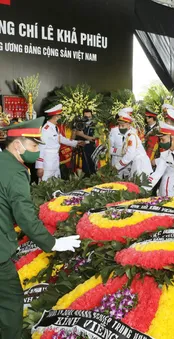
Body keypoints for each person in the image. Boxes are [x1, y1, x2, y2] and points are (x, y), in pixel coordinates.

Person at [0, 117, 81, 339]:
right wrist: (52, 242)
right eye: (34, 145)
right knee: (10, 303)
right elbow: (24, 215)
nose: (37, 151)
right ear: (18, 145)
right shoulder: (16, 172)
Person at [35, 104, 81, 181]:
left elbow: (61, 139)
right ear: (55, 116)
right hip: (47, 162)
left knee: (56, 182)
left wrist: (76, 143)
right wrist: (39, 167)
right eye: (60, 116)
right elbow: (41, 148)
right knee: (45, 184)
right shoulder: (46, 129)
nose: (60, 118)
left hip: (55, 160)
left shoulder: (55, 127)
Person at [114, 113, 152, 179]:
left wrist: (116, 166)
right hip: (136, 163)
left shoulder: (131, 136)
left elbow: (129, 155)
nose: (120, 128)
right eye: (119, 126)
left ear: (129, 125)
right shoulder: (127, 136)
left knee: (139, 186)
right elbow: (124, 151)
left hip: (140, 165)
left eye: (123, 125)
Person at [109, 109, 137, 176]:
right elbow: (109, 148)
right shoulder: (114, 130)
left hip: (129, 163)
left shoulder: (134, 131)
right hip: (116, 160)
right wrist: (120, 151)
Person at [72, 108, 96, 177]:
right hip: (81, 151)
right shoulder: (80, 124)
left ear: (92, 116)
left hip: (91, 151)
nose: (88, 119)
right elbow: (72, 139)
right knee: (83, 170)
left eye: (89, 117)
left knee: (91, 170)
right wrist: (74, 130)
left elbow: (94, 139)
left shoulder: (95, 125)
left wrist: (82, 135)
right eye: (86, 117)